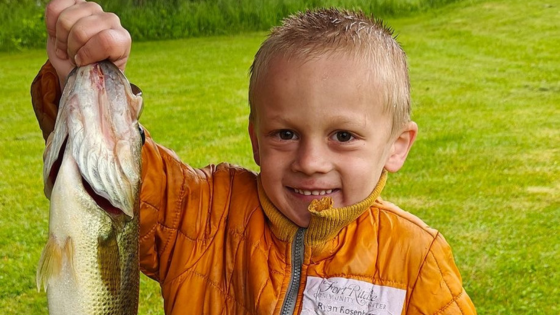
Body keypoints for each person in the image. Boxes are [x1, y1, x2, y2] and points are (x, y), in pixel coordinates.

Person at [31, 0, 477, 314]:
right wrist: (84, 86)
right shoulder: (203, 215)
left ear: (397, 145)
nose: (311, 161)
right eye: (286, 133)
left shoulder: (417, 259)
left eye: (343, 135)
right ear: (255, 139)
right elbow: (115, 174)